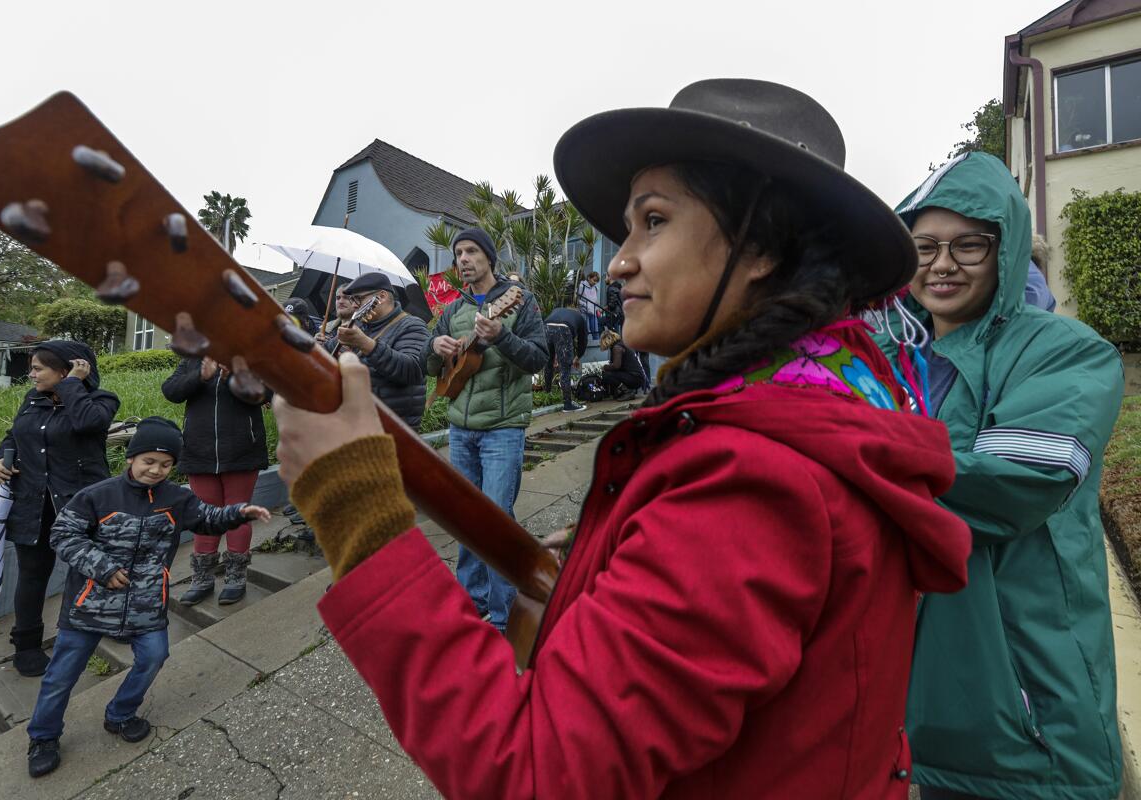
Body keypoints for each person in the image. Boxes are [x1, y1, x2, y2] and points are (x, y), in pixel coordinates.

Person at [271, 79, 973, 798]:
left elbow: (534, 771)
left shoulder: (757, 481)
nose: (617, 262)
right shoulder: (812, 405)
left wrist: (354, 503)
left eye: (655, 221)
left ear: (761, 246)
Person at [877, 152, 1125, 800]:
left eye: (969, 244)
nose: (942, 263)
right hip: (927, 712)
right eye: (924, 246)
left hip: (1032, 716)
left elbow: (1016, 482)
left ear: (1006, 248)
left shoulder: (1065, 350)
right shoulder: (888, 362)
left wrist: (860, 455)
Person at [24, 417, 270, 778]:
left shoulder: (177, 498)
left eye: (166, 464)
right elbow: (63, 534)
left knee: (155, 655)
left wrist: (238, 513)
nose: (157, 470)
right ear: (131, 458)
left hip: (145, 605)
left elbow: (208, 518)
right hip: (89, 606)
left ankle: (120, 713)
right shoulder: (97, 495)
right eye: (149, 461)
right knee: (61, 675)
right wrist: (102, 567)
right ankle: (43, 737)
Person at [425, 227, 549, 633]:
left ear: (490, 259)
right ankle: (470, 602)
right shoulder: (452, 308)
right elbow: (431, 369)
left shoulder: (520, 301)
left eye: (472, 251)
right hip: (461, 428)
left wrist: (503, 336)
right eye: (459, 252)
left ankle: (505, 616)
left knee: (496, 521)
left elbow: (537, 359)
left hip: (502, 428)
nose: (463, 259)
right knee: (466, 520)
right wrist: (436, 349)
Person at [0, 341, 119, 677]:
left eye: (38, 368)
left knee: (91, 570)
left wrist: (73, 385)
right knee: (32, 576)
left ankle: (103, 624)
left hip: (80, 506)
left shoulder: (100, 401)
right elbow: (14, 436)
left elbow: (89, 424)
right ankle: (27, 644)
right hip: (33, 505)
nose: (31, 374)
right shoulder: (32, 400)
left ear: (65, 370)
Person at [161, 355, 270, 605]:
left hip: (242, 451)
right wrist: (201, 376)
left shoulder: (248, 358)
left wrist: (234, 376)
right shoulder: (193, 360)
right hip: (199, 451)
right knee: (203, 516)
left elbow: (265, 394)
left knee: (238, 513)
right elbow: (171, 390)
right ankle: (202, 577)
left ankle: (236, 576)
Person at [325, 271, 429, 429]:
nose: (353, 305)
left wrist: (365, 344)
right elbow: (324, 353)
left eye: (358, 299)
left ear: (381, 297)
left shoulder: (412, 326)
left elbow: (412, 370)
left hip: (394, 427)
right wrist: (331, 346)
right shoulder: (360, 325)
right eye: (352, 299)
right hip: (357, 424)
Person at [543, 305, 588, 412]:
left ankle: (547, 396)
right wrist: (578, 357)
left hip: (546, 326)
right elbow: (583, 341)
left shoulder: (557, 309)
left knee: (548, 364)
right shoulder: (580, 318)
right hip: (564, 329)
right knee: (565, 368)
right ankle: (567, 404)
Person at [599, 329, 646, 399]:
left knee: (607, 375)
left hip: (635, 378)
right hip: (637, 377)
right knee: (610, 373)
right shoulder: (621, 344)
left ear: (606, 339)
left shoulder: (617, 347)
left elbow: (616, 366)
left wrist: (605, 367)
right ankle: (623, 391)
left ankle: (627, 391)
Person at [577, 271, 602, 337]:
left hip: (593, 312)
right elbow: (577, 299)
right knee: (586, 331)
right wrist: (586, 305)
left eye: (597, 281)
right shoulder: (582, 286)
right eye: (594, 280)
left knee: (595, 331)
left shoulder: (596, 288)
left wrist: (597, 309)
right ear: (589, 278)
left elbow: (595, 300)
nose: (595, 282)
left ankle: (597, 346)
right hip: (584, 312)